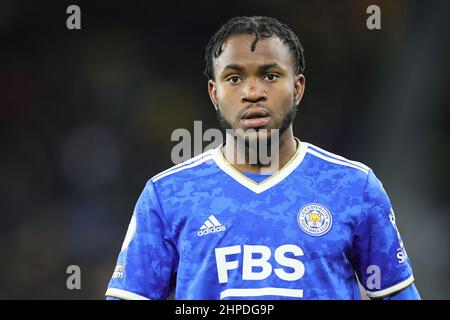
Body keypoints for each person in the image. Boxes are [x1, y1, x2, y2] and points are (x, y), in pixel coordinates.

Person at [105, 16, 420, 300]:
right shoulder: (167, 195)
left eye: (270, 76)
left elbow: (397, 294)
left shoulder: (354, 187)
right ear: (214, 94)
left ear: (297, 88)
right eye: (234, 78)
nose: (252, 91)